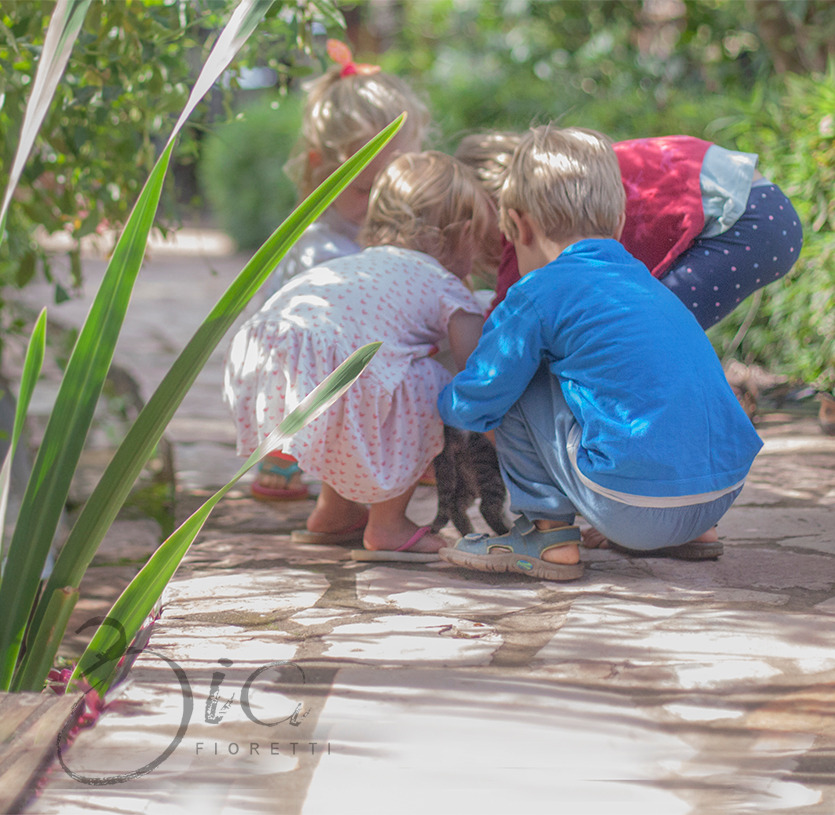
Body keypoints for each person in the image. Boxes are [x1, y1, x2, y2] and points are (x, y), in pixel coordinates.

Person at [437, 125, 763, 581]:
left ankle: (546, 537)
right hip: (719, 492)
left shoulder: (537, 292)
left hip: (633, 505)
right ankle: (693, 532)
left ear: (521, 225)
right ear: (618, 223)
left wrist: (439, 400)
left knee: (519, 372)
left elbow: (483, 395)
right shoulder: (645, 284)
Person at [224, 151, 492, 556]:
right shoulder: (444, 285)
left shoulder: (360, 263)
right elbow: (480, 378)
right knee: (425, 383)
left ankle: (334, 513)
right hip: (328, 366)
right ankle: (387, 525)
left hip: (267, 358)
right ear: (466, 233)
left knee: (366, 381)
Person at [253, 39, 430, 502]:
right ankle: (289, 446)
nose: (377, 207)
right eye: (364, 189)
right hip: (306, 381)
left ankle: (421, 443)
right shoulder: (318, 249)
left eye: (391, 188)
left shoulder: (379, 232)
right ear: (320, 170)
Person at [455, 131, 803, 331]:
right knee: (648, 331)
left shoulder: (527, 213)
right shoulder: (569, 170)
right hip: (756, 208)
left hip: (746, 221)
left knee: (639, 334)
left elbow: (504, 324)